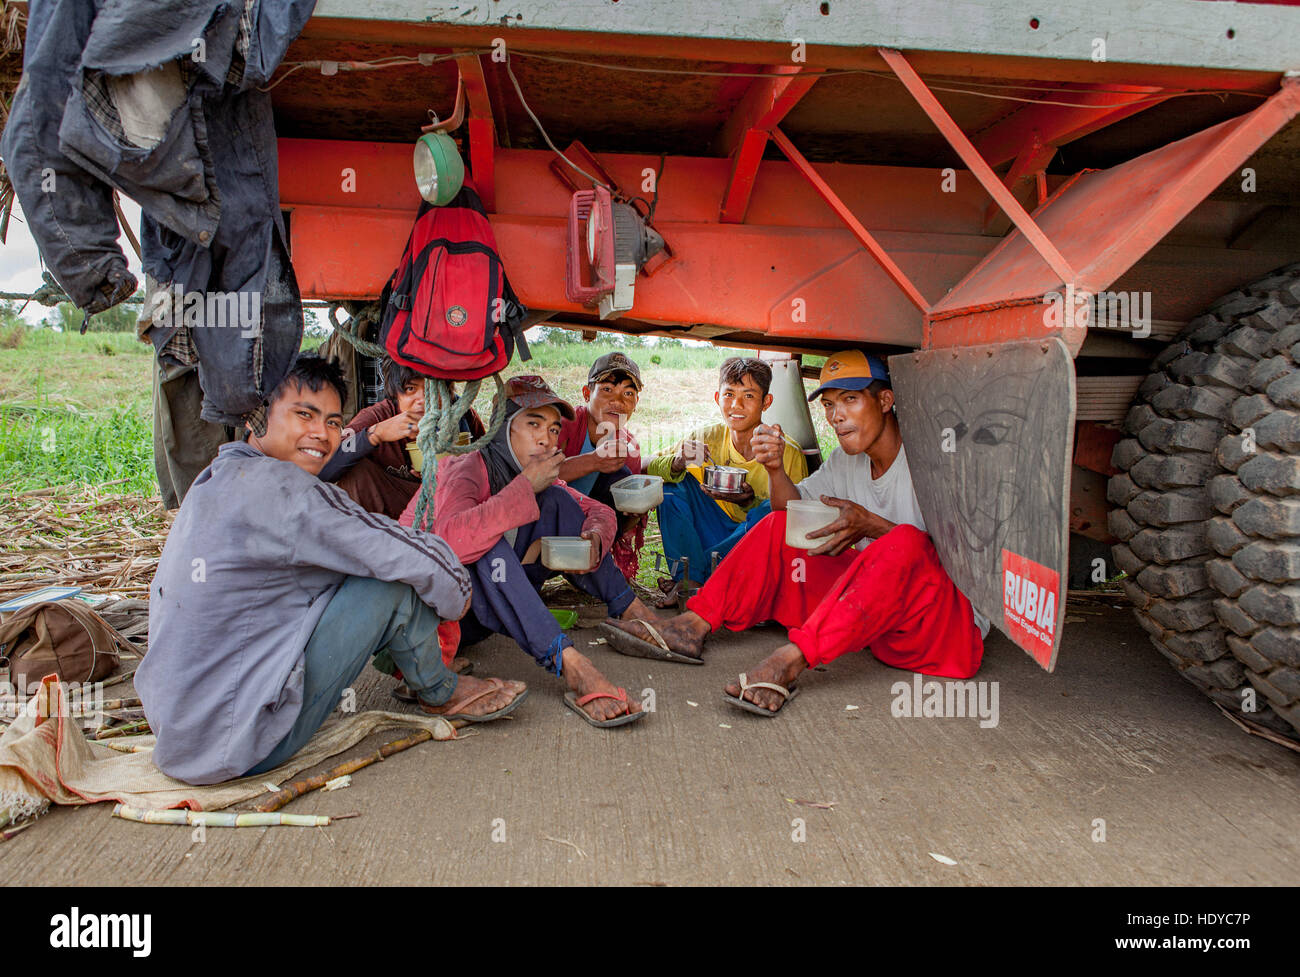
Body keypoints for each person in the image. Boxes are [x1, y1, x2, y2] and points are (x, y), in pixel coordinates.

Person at [136, 355, 527, 785]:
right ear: (257, 415)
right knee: (392, 583)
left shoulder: (218, 475)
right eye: (304, 415)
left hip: (179, 731)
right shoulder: (287, 492)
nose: (321, 434)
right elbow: (401, 554)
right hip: (237, 744)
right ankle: (440, 690)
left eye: (334, 422)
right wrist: (458, 592)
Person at [603, 350, 990, 715]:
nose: (836, 416)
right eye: (829, 404)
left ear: (886, 401)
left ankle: (790, 660)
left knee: (905, 541)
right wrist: (774, 470)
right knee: (777, 525)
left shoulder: (934, 463)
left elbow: (957, 565)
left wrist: (875, 526)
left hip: (942, 632)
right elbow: (791, 512)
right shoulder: (845, 461)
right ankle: (691, 626)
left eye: (850, 400)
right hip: (874, 625)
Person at [402, 374, 662, 728]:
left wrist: (594, 539)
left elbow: (595, 511)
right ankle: (572, 664)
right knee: (487, 543)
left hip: (475, 621)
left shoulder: (531, 471)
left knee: (556, 500)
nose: (546, 438)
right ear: (500, 427)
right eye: (533, 424)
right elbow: (449, 543)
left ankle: (632, 612)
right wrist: (524, 487)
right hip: (422, 629)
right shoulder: (466, 468)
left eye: (554, 430)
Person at [645, 356, 808, 594]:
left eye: (749, 396)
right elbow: (643, 465)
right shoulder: (705, 437)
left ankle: (703, 579)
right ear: (716, 398)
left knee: (770, 512)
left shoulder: (786, 451)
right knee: (671, 486)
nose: (736, 405)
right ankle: (690, 578)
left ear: (766, 402)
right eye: (729, 394)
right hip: (707, 535)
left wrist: (748, 502)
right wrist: (678, 462)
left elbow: (796, 523)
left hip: (752, 546)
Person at [318, 358, 485, 519]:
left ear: (447, 391)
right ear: (395, 393)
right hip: (390, 512)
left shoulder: (461, 416)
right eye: (410, 389)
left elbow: (491, 467)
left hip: (448, 505)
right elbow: (322, 469)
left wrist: (456, 470)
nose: (422, 400)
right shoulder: (378, 416)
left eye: (431, 388)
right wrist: (375, 434)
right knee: (355, 472)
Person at [557, 351, 646, 582]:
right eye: (607, 390)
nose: (618, 401)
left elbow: (627, 517)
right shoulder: (565, 425)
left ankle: (592, 563)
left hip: (593, 530)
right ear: (587, 393)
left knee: (626, 481)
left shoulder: (628, 447)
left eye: (628, 393)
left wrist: (634, 510)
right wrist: (593, 461)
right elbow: (533, 478)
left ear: (636, 403)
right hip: (550, 523)